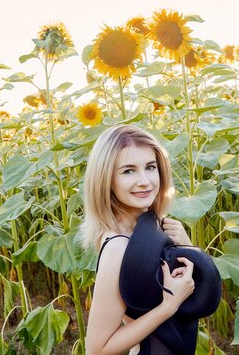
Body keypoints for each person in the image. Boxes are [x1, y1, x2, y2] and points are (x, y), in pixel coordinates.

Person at [82, 124, 196, 355]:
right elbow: (96, 349)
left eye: (150, 167)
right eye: (128, 171)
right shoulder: (118, 245)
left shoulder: (152, 227)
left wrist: (187, 248)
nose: (145, 181)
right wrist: (168, 306)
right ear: (106, 180)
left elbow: (198, 294)